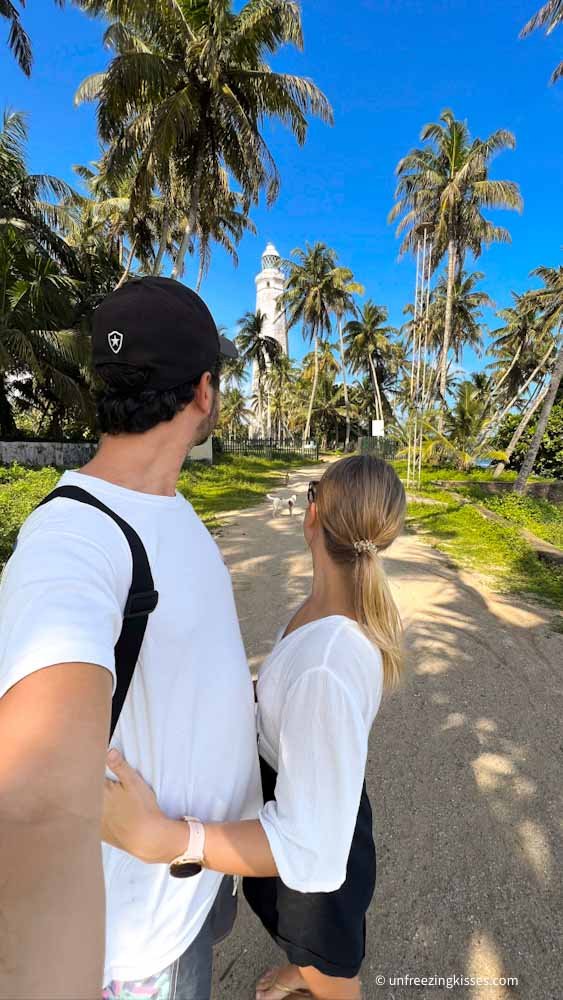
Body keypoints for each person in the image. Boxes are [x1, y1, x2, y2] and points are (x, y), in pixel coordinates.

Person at [0, 278, 262, 1000]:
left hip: (190, 895)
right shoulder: (71, 538)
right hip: (132, 955)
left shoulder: (173, 513)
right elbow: (32, 810)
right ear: (204, 393)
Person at [102, 455, 406, 1000]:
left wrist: (168, 839)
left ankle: (314, 976)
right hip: (301, 799)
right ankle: (300, 969)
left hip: (313, 834)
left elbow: (311, 848)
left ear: (312, 514)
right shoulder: (321, 608)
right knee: (296, 939)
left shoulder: (328, 663)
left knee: (333, 972)